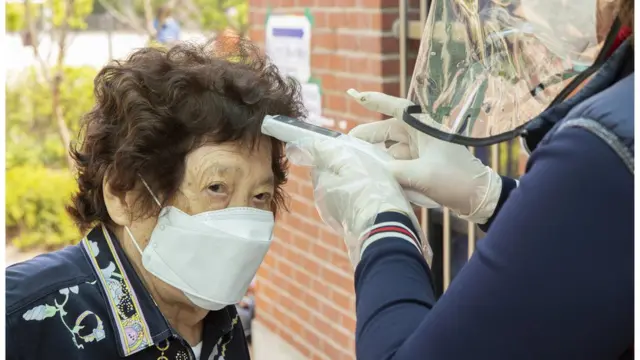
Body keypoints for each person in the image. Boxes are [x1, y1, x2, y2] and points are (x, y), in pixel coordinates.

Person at [287, 0, 633, 358]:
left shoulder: (603, 145)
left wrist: (382, 222)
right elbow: (594, 245)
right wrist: (491, 195)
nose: (516, 11)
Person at [6, 38, 305, 360]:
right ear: (124, 195)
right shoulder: (22, 320)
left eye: (261, 195)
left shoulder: (222, 324)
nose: (243, 225)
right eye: (217, 187)